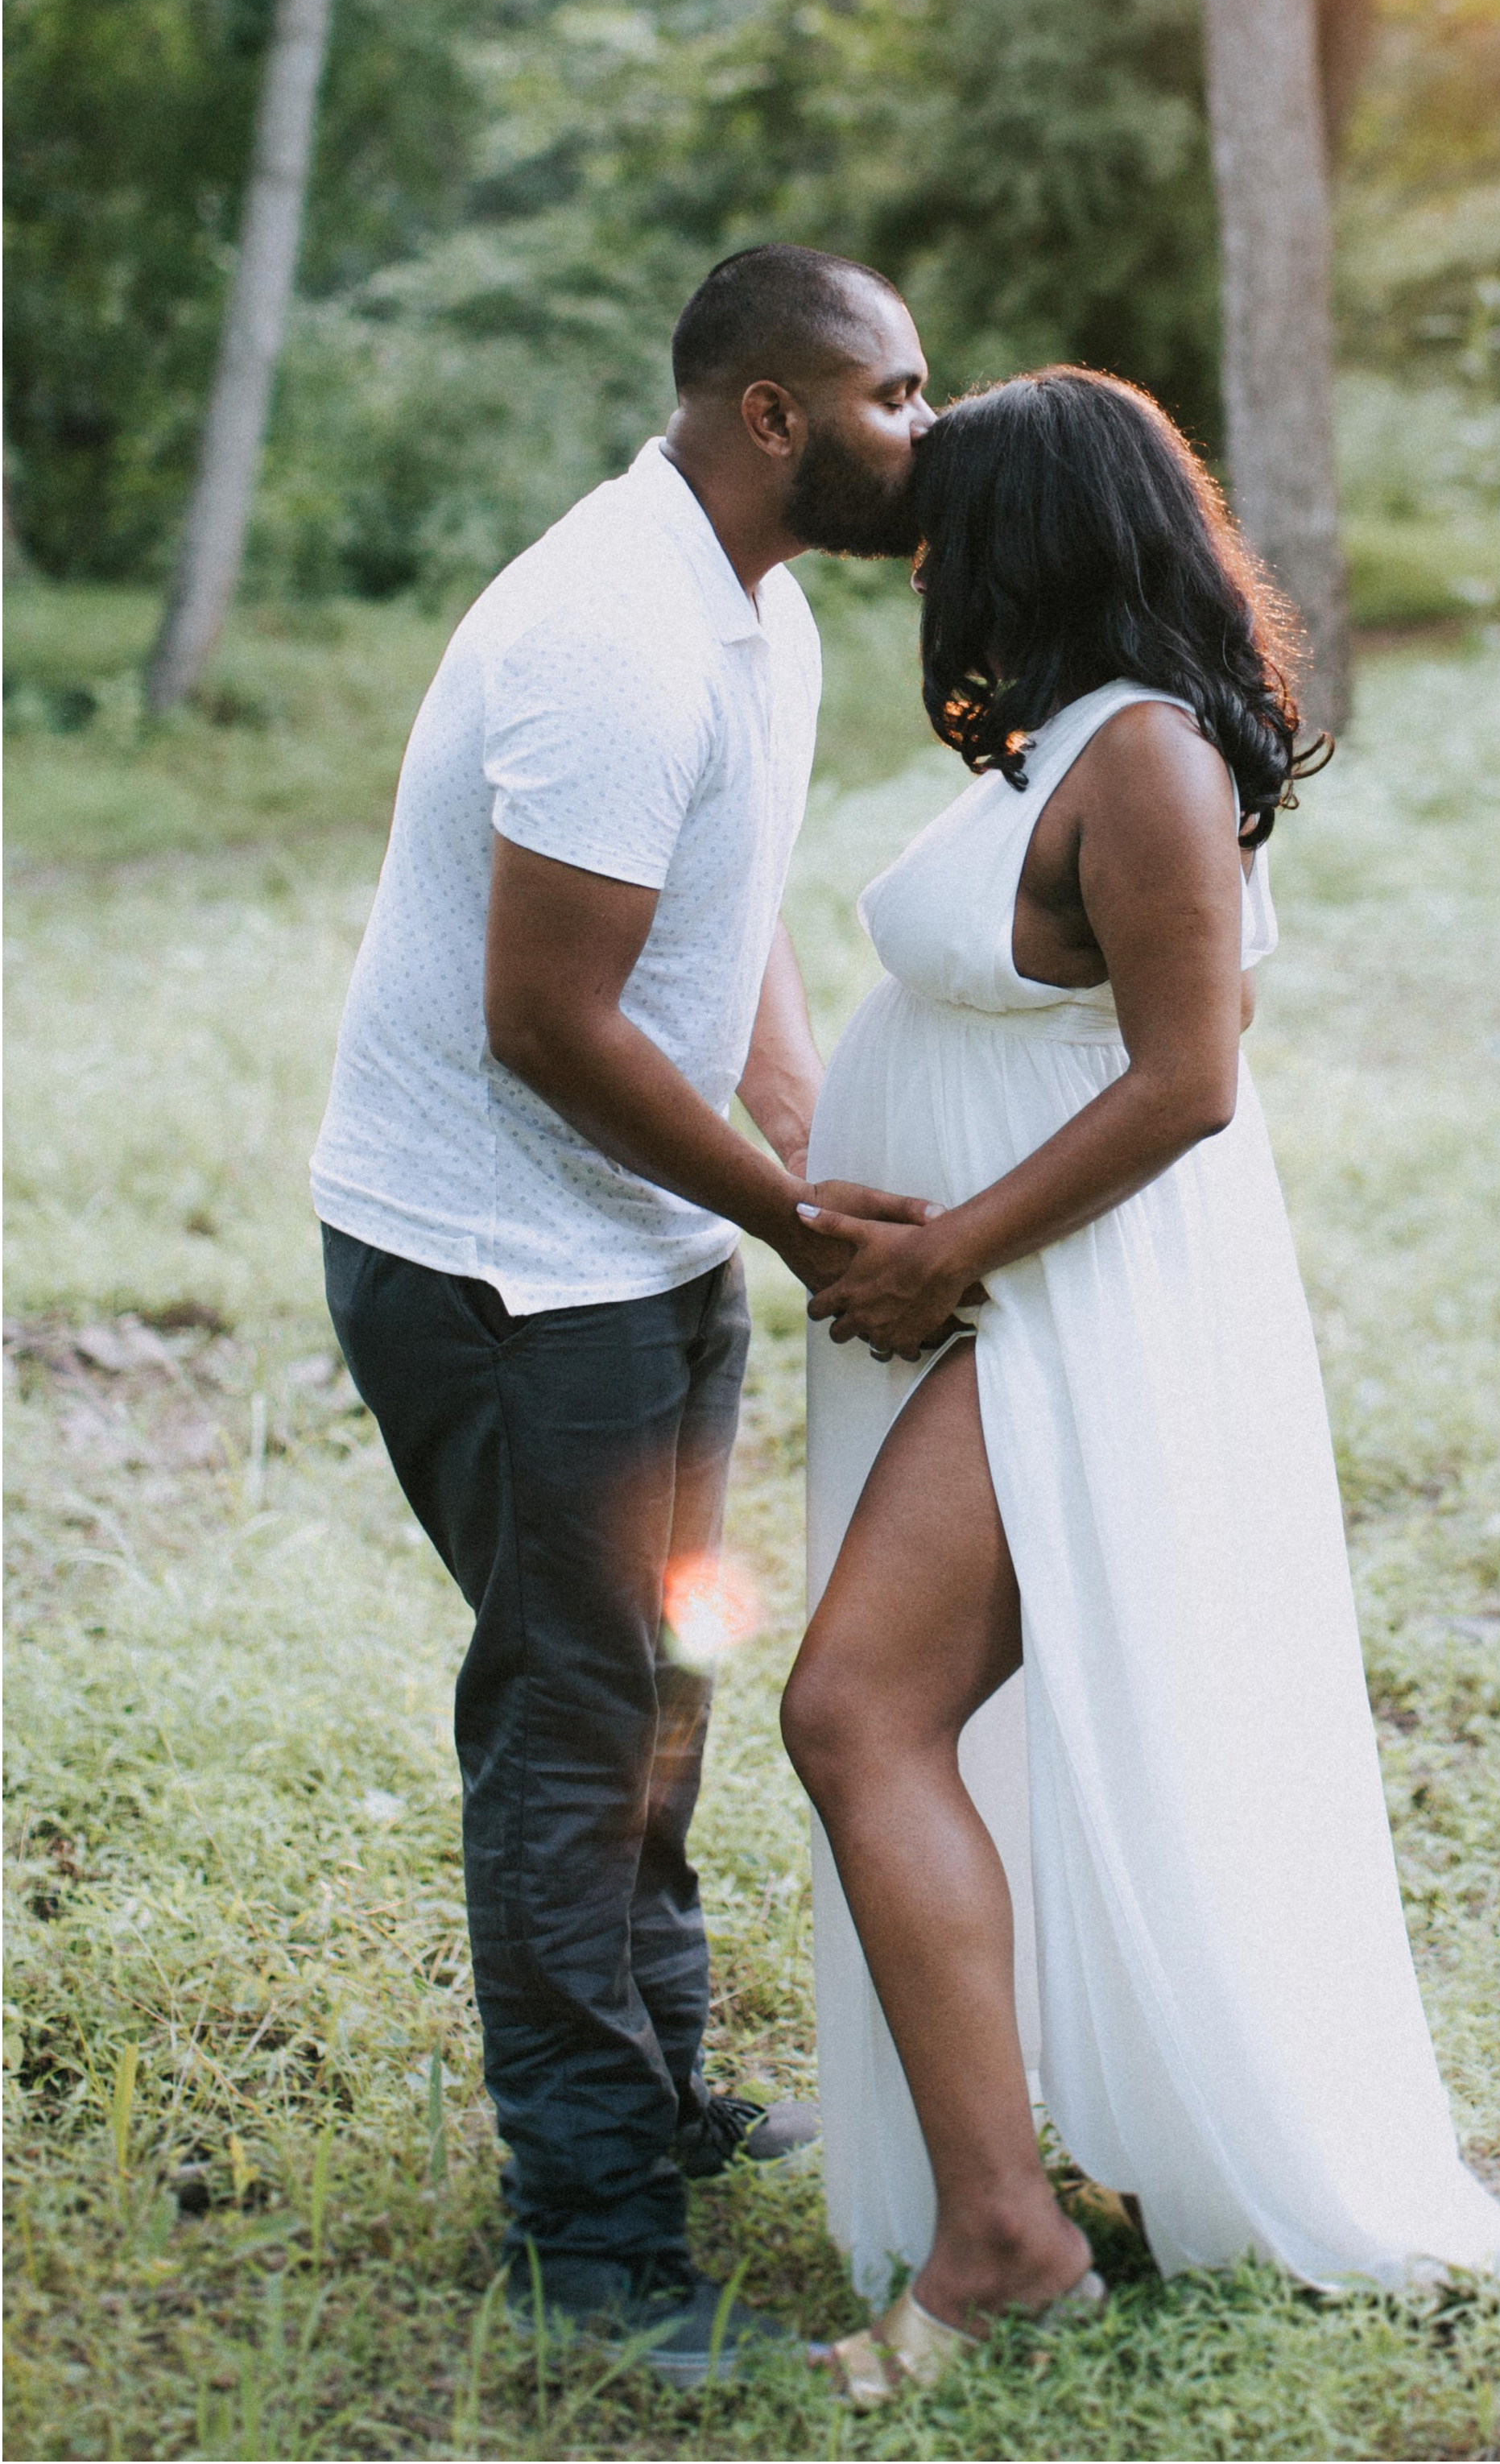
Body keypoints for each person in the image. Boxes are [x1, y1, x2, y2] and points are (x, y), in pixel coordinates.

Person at [780, 367, 1500, 2407]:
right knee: (891, 1715)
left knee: (853, 1703)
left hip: (1074, 1305)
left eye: (951, 525)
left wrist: (948, 1250)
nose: (929, 566)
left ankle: (1001, 2239)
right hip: (989, 1299)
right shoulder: (1049, 736)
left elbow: (1186, 1079)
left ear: (1030, 534)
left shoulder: (1139, 754)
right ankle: (1012, 2190)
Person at [312, 243, 940, 2381]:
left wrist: (794, 1124)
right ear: (775, 415)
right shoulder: (609, 630)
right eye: (895, 395)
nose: (922, 433)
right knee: (575, 1722)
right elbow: (546, 1022)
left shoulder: (755, 611)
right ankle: (591, 2239)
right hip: (499, 1267)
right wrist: (793, 1219)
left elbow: (724, 909)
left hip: (642, 1244)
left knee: (667, 1675)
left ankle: (653, 2092)